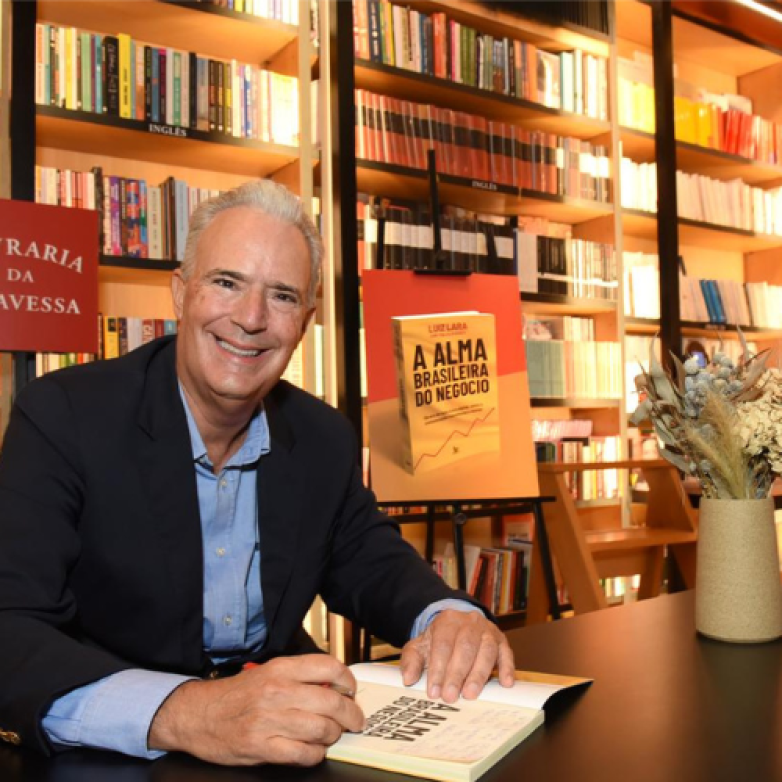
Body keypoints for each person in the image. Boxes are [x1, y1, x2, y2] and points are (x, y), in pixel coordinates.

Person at [0, 180, 514, 767]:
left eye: (283, 297)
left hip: (281, 739)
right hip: (113, 749)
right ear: (180, 291)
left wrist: (448, 615)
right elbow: (9, 625)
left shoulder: (322, 435)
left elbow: (368, 555)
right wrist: (191, 712)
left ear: (305, 322)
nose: (250, 319)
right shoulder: (63, 415)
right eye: (227, 282)